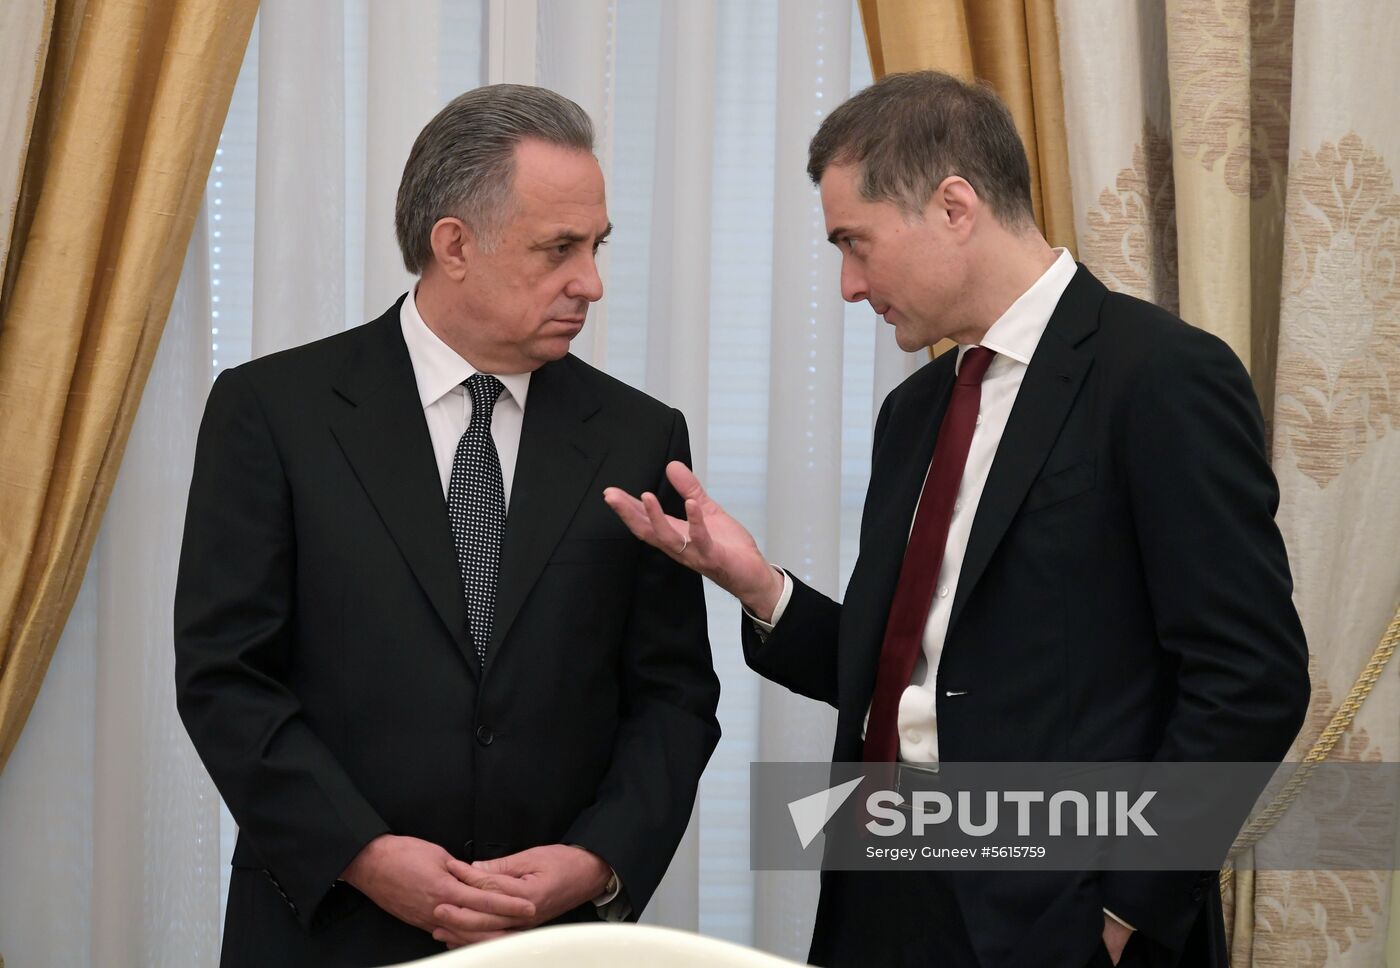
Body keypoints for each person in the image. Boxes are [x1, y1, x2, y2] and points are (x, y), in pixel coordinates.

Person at [605, 71, 1308, 968]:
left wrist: (1130, 907)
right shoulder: (917, 411)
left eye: (855, 244)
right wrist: (757, 585)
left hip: (1067, 908)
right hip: (885, 895)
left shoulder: (1160, 377)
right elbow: (916, 673)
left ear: (953, 205)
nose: (851, 286)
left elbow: (1254, 676)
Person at [175, 84, 720, 967]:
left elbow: (674, 697)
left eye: (596, 246)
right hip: (325, 929)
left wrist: (592, 862)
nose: (592, 282)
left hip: (554, 940)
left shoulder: (638, 435)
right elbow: (225, 677)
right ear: (454, 245)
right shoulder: (273, 411)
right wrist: (360, 854)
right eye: (559, 249)